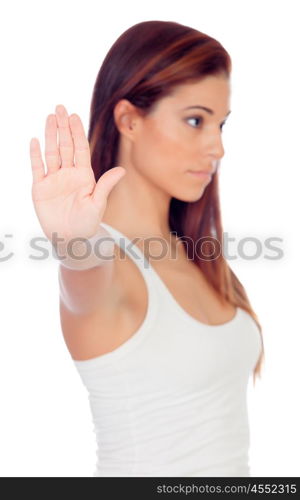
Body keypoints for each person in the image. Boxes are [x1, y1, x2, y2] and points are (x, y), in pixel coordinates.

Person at [29, 20, 264, 477]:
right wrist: (73, 242)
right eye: (195, 120)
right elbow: (86, 277)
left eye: (220, 124)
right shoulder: (108, 262)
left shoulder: (200, 258)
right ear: (129, 120)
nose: (217, 147)